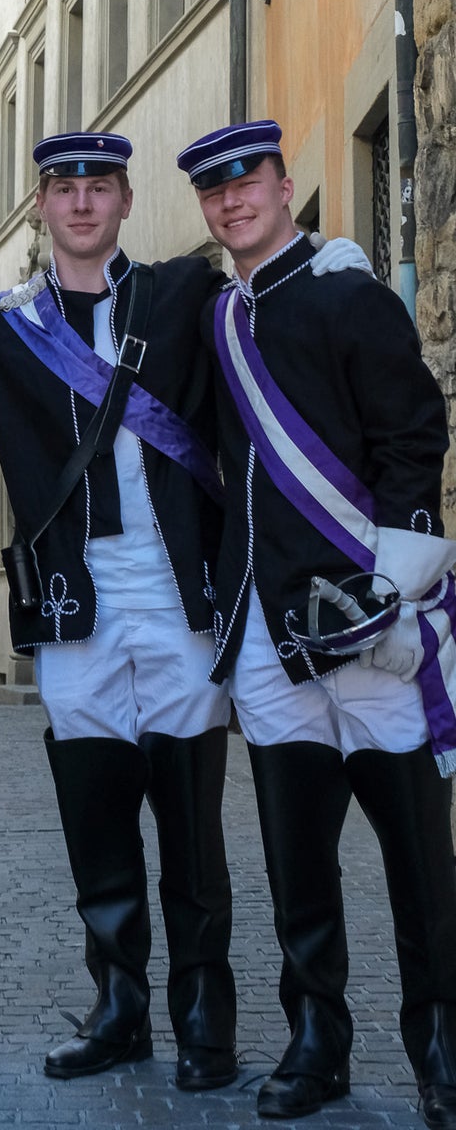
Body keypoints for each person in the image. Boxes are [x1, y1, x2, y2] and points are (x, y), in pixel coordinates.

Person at [0, 131, 239, 1093]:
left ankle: (204, 1017)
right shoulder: (0, 327)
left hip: (175, 589)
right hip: (71, 600)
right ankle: (119, 1010)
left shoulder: (185, 296)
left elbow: (274, 356)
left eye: (97, 187)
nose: (79, 203)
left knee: (192, 820)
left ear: (123, 200)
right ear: (39, 206)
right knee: (97, 820)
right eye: (63, 188)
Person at [178, 118, 456, 1128]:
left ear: (284, 186)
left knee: (421, 861)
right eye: (215, 193)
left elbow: (412, 436)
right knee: (299, 862)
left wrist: (403, 582)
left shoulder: (348, 295)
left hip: (361, 623)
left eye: (248, 182)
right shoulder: (218, 319)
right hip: (265, 630)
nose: (233, 201)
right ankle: (317, 1043)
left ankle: (439, 1045)